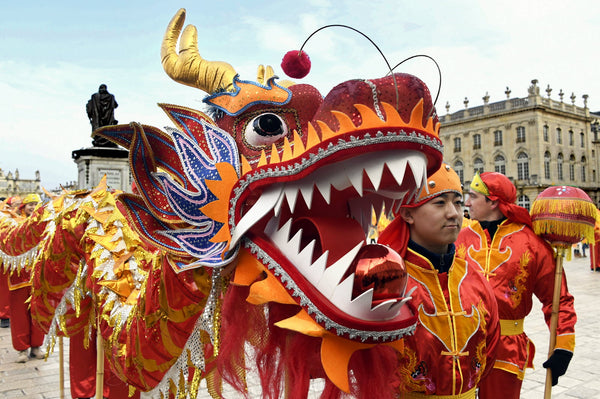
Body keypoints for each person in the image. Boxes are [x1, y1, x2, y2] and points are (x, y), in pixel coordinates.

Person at [379, 164, 499, 398]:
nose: (454, 213)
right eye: (440, 203)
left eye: (457, 201)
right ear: (407, 213)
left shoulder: (474, 277)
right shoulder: (387, 281)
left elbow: (491, 346)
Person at [456, 172, 576, 398]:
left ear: (492, 201)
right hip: (461, 344)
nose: (467, 202)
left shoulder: (532, 243)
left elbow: (557, 298)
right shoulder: (459, 237)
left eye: (472, 196)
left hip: (507, 349)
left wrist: (563, 345)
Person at [9, 193, 46, 363]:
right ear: (23, 207)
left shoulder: (45, 225)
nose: (32, 207)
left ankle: (37, 347)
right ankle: (22, 349)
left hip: (39, 277)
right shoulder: (13, 224)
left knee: (38, 313)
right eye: (29, 204)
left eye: (35, 204)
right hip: (18, 278)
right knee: (19, 315)